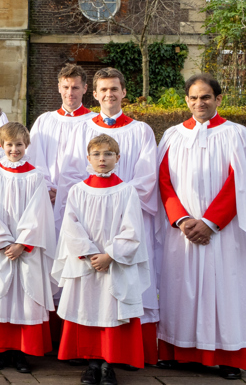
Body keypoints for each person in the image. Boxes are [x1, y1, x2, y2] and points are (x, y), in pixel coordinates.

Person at [154, 74, 246, 380]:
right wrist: (182, 219)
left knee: (224, 288)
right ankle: (182, 353)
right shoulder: (172, 136)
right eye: (193, 98)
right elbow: (164, 182)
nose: (199, 103)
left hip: (224, 232)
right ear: (186, 101)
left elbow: (240, 183)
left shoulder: (236, 134)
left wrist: (209, 222)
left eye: (206, 97)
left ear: (219, 99)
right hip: (181, 232)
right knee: (181, 288)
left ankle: (229, 356)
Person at [66, 67, 161, 363]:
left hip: (124, 217)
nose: (109, 94)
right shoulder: (81, 128)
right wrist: (96, 193)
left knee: (120, 289)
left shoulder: (140, 130)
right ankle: (91, 355)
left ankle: (120, 354)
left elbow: (147, 177)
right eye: (103, 90)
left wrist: (116, 195)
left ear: (123, 93)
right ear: (94, 94)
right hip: (89, 217)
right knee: (90, 294)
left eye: (114, 89)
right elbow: (71, 171)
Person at [54, 133, 150, 385]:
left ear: (118, 158)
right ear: (88, 158)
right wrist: (88, 254)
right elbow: (70, 226)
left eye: (108, 154)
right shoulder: (78, 190)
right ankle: (92, 364)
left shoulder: (126, 191)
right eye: (96, 154)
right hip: (86, 264)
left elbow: (132, 229)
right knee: (87, 310)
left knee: (111, 313)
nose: (102, 159)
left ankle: (109, 365)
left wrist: (110, 256)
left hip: (114, 264)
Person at [0, 122, 55, 375]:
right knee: (0, 297)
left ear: (26, 145)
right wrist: (4, 241)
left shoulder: (35, 177)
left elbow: (39, 213)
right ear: (1, 144)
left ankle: (21, 352)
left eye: (19, 144)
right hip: (0, 249)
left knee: (25, 298)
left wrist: (22, 243)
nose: (14, 149)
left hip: (25, 250)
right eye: (9, 144)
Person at [28, 64, 98, 225]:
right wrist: (47, 188)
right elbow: (34, 158)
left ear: (85, 88)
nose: (70, 93)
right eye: (66, 87)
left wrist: (68, 191)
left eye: (75, 87)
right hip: (48, 197)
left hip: (83, 197)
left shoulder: (94, 122)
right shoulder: (44, 121)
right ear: (59, 87)